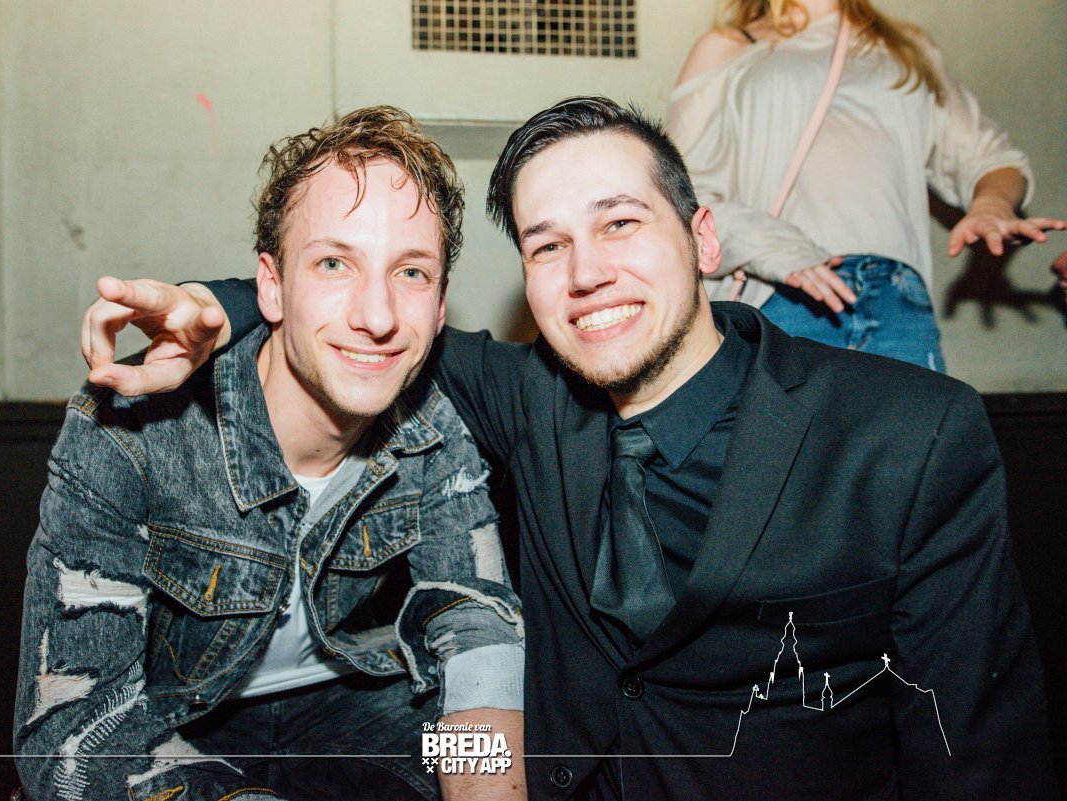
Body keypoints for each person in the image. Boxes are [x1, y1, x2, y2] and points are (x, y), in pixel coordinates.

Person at [82, 97, 1057, 799]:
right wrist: (218, 308)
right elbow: (365, 304)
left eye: (620, 223)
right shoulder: (519, 399)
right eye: (547, 245)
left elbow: (976, 751)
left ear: (705, 238)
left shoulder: (905, 433)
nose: (587, 271)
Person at [15, 106, 526, 801]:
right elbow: (73, 731)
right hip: (169, 722)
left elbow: (476, 627)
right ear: (271, 286)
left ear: (440, 309)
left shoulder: (432, 427)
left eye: (410, 272)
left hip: (351, 706)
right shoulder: (131, 429)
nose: (377, 316)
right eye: (334, 263)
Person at [667, 0, 1066, 372]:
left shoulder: (906, 47)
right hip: (783, 291)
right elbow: (678, 192)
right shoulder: (730, 44)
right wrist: (775, 247)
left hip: (896, 293)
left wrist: (992, 205)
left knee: (921, 425)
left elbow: (991, 157)